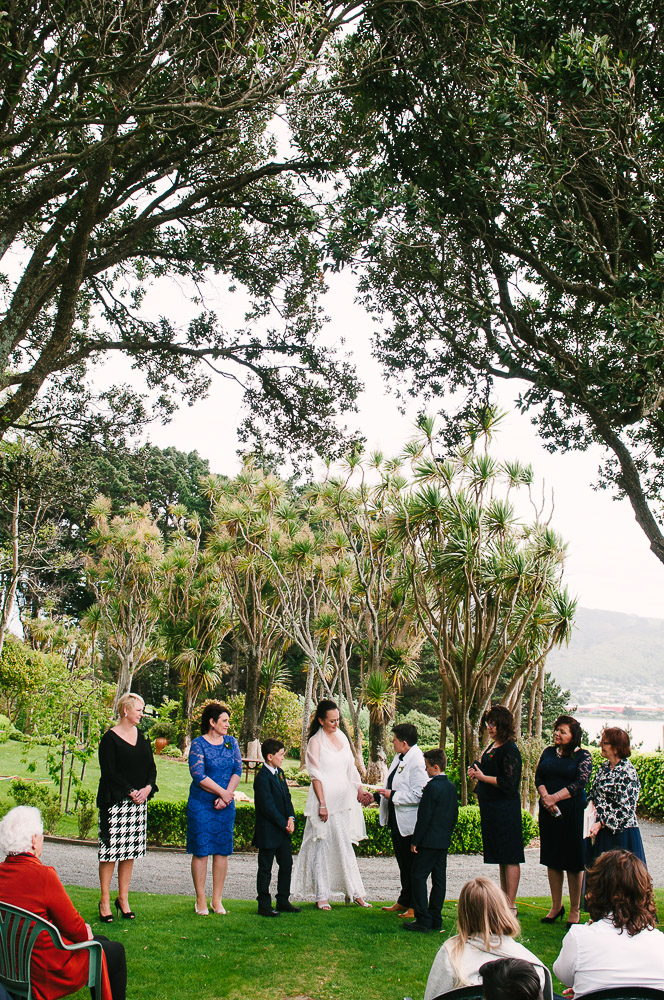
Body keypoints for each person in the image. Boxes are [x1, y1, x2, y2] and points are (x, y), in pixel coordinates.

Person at [0, 805, 127, 1000]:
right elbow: (74, 928)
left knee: (103, 943)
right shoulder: (43, 875)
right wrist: (85, 932)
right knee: (115, 952)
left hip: (9, 965)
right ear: (34, 840)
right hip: (43, 970)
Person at [292, 699, 374, 909]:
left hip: (343, 801)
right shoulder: (315, 742)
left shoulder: (343, 738)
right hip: (324, 802)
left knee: (343, 846)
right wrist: (322, 803)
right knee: (322, 846)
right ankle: (322, 895)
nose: (336, 724)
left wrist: (360, 790)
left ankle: (354, 891)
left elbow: (351, 768)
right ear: (321, 720)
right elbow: (315, 774)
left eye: (338, 720)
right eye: (331, 721)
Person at [553, 849, 664, 996]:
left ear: (598, 889)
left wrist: (590, 989)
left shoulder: (579, 937)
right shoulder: (659, 941)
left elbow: (563, 974)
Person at [423, 876, 545, 1000]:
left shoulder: (451, 954)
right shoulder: (532, 963)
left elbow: (432, 996)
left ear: (464, 913)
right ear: (502, 908)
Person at [97, 692, 157, 921]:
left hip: (138, 803)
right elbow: (109, 772)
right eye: (139, 710)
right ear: (126, 711)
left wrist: (148, 788)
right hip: (115, 802)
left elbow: (151, 767)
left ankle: (123, 898)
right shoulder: (110, 739)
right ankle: (104, 900)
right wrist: (131, 791)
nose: (142, 714)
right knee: (110, 853)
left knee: (128, 852)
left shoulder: (142, 737)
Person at [535, 715, 592, 929]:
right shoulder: (548, 752)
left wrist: (554, 798)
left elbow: (580, 783)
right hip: (549, 812)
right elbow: (538, 777)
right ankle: (556, 906)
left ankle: (575, 909)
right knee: (553, 858)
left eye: (563, 731)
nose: (557, 734)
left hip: (572, 812)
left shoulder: (583, 756)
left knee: (573, 860)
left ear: (573, 736)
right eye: (557, 730)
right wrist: (545, 798)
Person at [187, 702, 243, 915]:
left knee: (222, 850)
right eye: (224, 721)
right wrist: (222, 793)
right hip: (202, 803)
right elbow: (198, 775)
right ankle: (200, 899)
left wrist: (227, 796)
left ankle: (217, 899)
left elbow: (237, 769)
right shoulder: (198, 744)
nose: (228, 725)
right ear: (212, 722)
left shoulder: (231, 743)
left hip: (225, 805)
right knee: (201, 850)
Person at [467, 705, 524, 913]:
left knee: (510, 855)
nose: (489, 727)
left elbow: (509, 781)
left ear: (503, 725)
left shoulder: (510, 749)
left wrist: (483, 778)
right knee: (501, 856)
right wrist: (476, 772)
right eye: (488, 724)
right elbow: (488, 770)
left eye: (493, 724)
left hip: (505, 808)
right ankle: (503, 898)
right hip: (491, 807)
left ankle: (511, 904)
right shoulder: (492, 746)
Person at [402, 747, 459, 933]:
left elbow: (424, 816)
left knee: (417, 876)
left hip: (428, 841)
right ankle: (436, 917)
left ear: (435, 767)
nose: (425, 770)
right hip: (442, 841)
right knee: (439, 879)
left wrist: (415, 841)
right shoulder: (451, 787)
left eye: (427, 766)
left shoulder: (431, 787)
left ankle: (423, 918)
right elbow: (454, 816)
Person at [376, 722, 428, 919]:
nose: (392, 742)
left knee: (412, 865)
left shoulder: (417, 761)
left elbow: (419, 794)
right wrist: (378, 796)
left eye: (395, 739)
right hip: (396, 819)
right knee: (403, 863)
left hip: (409, 822)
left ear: (404, 743)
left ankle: (415, 905)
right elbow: (391, 782)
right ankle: (404, 899)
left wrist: (393, 795)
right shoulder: (400, 757)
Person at [252, 737, 300, 917]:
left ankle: (283, 900)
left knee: (286, 864)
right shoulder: (262, 778)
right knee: (265, 868)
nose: (283, 758)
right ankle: (263, 904)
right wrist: (283, 824)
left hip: (282, 830)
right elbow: (267, 806)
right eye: (280, 755)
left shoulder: (280, 773)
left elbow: (287, 797)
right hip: (268, 831)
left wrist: (291, 818)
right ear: (270, 756)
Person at [585, 726, 646, 867]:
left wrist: (601, 823)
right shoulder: (604, 768)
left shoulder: (628, 772)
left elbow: (626, 810)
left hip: (622, 835)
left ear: (616, 748)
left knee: (622, 880)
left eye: (605, 743)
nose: (601, 745)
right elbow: (593, 794)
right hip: (602, 834)